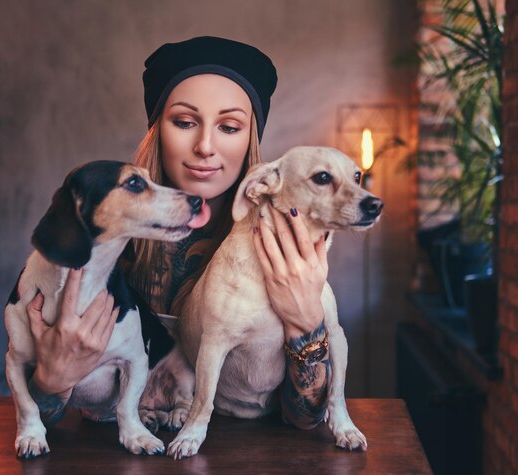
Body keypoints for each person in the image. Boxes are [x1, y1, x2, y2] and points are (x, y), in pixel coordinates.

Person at [25, 36, 330, 432]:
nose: (205, 146)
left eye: (229, 126)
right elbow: (40, 422)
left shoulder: (285, 248)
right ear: (157, 131)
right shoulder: (96, 240)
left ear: (250, 139)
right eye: (185, 122)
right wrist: (51, 380)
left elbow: (305, 419)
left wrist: (307, 322)